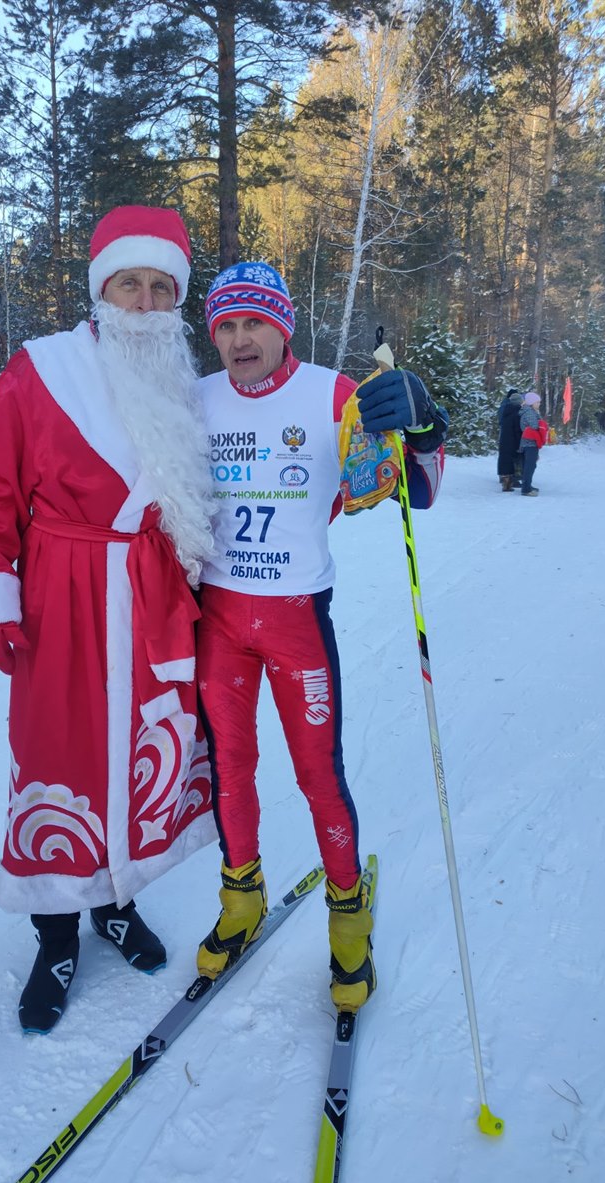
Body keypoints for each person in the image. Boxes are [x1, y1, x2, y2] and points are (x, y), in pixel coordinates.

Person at [0, 206, 218, 1034]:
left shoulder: (185, 385)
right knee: (59, 755)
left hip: (151, 599)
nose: (145, 302)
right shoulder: (42, 370)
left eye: (161, 287)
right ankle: (56, 935)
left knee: (138, 753)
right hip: (61, 600)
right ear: (102, 290)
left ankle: (117, 903)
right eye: (130, 283)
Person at [192, 262, 448, 1012]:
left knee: (318, 777)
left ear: (284, 327)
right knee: (229, 768)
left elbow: (419, 488)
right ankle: (242, 899)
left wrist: (424, 424)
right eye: (227, 326)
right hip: (219, 620)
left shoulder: (333, 394)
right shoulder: (194, 399)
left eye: (255, 323)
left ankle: (348, 921)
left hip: (296, 619)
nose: (241, 340)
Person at [518, 392, 548, 496]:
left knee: (530, 465)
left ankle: (527, 485)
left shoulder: (530, 411)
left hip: (529, 442)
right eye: (537, 402)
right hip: (530, 443)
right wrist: (543, 425)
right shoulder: (530, 413)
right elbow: (535, 426)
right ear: (531, 403)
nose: (539, 404)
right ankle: (526, 489)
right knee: (529, 466)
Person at [497, 387, 523, 491]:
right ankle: (513, 481)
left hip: (504, 439)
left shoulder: (505, 410)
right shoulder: (517, 413)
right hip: (513, 441)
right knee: (514, 460)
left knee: (504, 460)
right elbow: (517, 429)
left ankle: (505, 481)